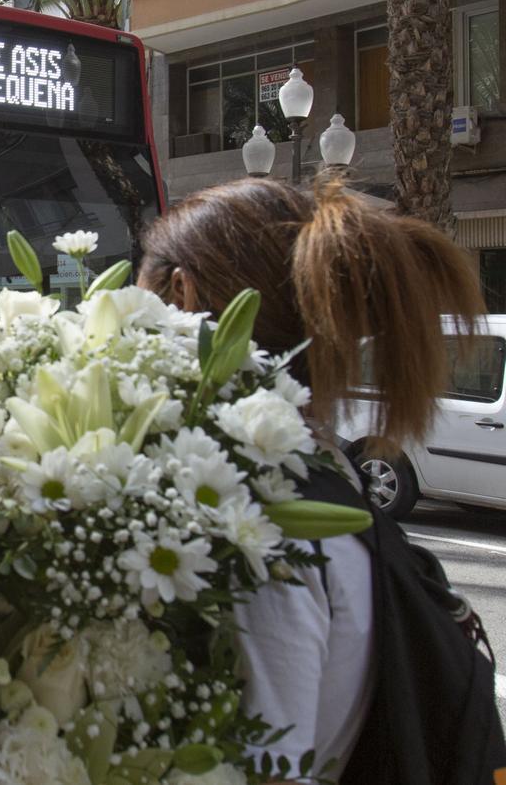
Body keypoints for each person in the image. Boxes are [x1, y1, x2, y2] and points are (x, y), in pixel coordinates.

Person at [137, 176, 484, 778]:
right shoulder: (313, 472)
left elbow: (269, 766)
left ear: (182, 295)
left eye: (133, 299)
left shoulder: (265, 527)